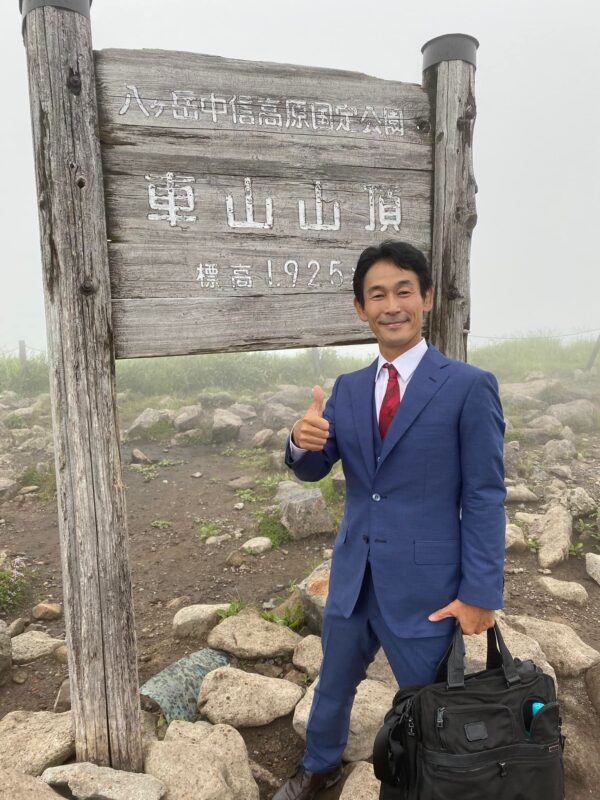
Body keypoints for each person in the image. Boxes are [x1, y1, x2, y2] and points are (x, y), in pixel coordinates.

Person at [272, 240, 506, 800]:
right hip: (354, 575)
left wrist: (480, 594)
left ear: (426, 299)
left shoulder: (468, 387)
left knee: (429, 700)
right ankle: (318, 766)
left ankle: (430, 782)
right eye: (377, 295)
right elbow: (314, 468)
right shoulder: (349, 391)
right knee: (332, 683)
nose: (391, 304)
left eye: (404, 291)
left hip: (426, 586)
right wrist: (299, 442)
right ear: (361, 308)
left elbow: (483, 495)